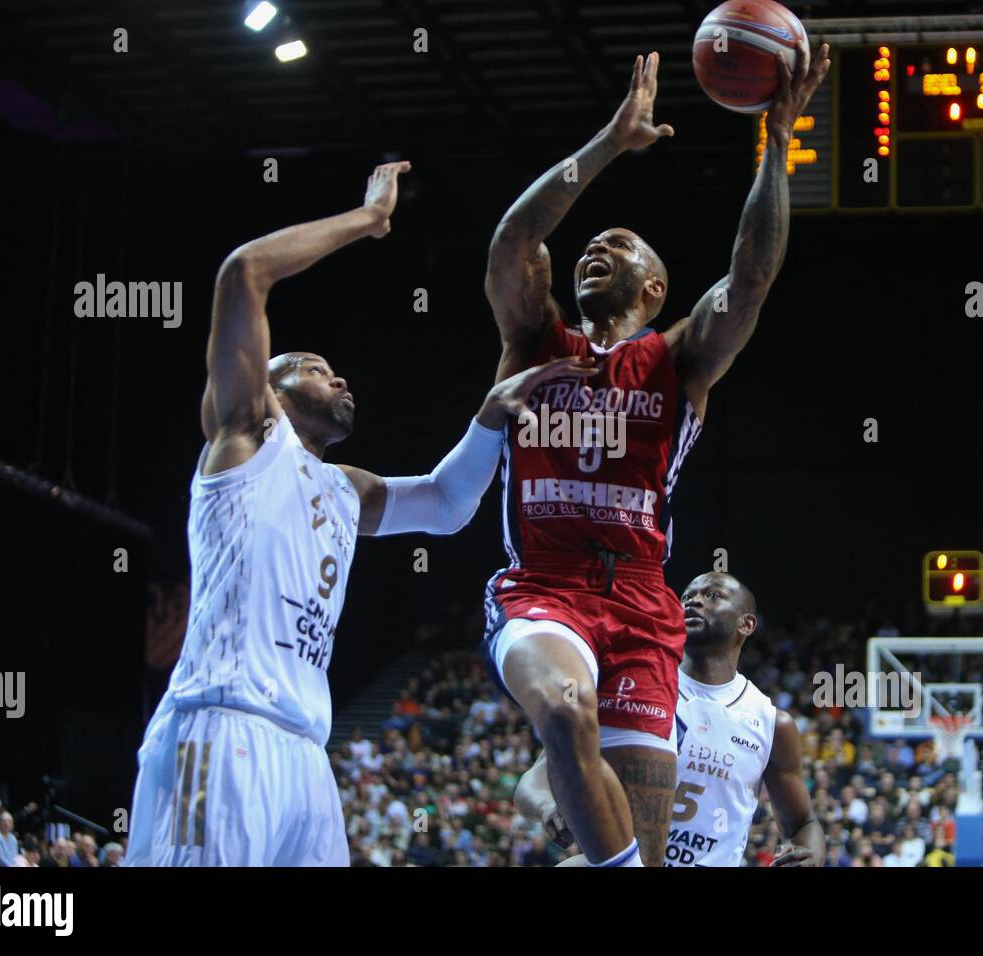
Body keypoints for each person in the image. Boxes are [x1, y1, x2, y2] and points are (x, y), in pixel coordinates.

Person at [125, 161, 595, 867]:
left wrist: (493, 414)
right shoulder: (247, 437)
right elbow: (244, 271)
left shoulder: (346, 487)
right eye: (314, 367)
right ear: (272, 390)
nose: (338, 376)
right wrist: (368, 221)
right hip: (222, 729)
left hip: (306, 755)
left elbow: (444, 504)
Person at [480, 46, 831, 867]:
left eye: (621, 244)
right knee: (566, 709)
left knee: (637, 849)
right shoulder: (535, 337)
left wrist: (777, 141)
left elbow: (750, 281)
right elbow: (512, 240)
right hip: (548, 586)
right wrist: (608, 143)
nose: (595, 246)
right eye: (590, 245)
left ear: (655, 291)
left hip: (641, 604)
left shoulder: (677, 359)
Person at [515, 572, 824, 868]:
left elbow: (802, 823)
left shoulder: (770, 722)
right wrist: (547, 807)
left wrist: (809, 854)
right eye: (686, 597)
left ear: (746, 624)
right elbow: (534, 781)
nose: (694, 601)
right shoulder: (629, 688)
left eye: (713, 595)